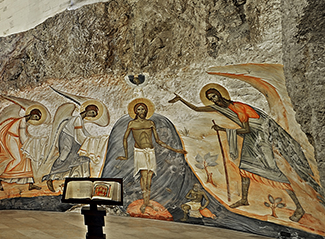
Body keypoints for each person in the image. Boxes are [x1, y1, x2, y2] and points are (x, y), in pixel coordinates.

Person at [170, 84, 309, 221]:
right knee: (244, 168)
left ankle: (299, 207)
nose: (214, 100)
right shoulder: (221, 108)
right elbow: (197, 108)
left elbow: (247, 129)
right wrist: (181, 99)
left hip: (260, 138)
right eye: (211, 99)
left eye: (214, 96)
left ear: (220, 94)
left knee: (273, 171)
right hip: (251, 138)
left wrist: (223, 129)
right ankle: (244, 199)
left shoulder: (238, 107)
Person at [116, 98, 186, 214]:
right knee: (144, 177)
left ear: (146, 110)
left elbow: (158, 141)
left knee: (149, 177)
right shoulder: (132, 123)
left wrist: (175, 150)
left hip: (150, 151)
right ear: (135, 111)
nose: (141, 111)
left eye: (143, 109)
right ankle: (145, 202)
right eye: (139, 109)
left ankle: (147, 202)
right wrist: (125, 155)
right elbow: (125, 139)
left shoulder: (150, 123)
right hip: (140, 151)